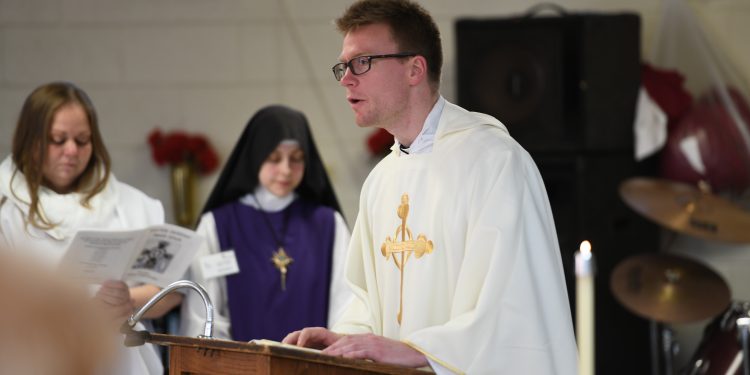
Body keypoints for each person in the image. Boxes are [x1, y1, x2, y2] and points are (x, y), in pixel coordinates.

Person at [282, 1, 579, 374]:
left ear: (414, 69)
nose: (346, 79)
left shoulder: (494, 163)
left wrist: (420, 350)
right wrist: (344, 338)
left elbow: (513, 307)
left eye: (362, 62)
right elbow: (367, 298)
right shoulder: (382, 180)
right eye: (343, 66)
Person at [0, 81, 181, 375]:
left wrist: (128, 301)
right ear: (30, 140)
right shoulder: (6, 209)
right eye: (58, 139)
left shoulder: (131, 204)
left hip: (123, 362)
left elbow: (171, 291)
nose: (71, 150)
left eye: (82, 140)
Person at [179, 105, 352, 342]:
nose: (285, 170)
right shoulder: (218, 225)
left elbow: (346, 304)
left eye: (297, 159)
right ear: (254, 156)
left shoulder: (328, 223)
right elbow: (205, 313)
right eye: (274, 158)